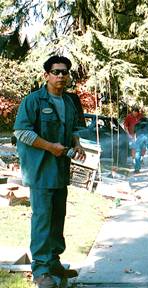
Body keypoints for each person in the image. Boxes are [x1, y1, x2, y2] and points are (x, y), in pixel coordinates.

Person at [13, 55, 86, 288]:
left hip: (61, 171)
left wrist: (77, 144)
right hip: (41, 171)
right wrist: (50, 147)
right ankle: (41, 270)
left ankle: (54, 262)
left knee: (57, 218)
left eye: (65, 72)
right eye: (56, 71)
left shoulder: (71, 101)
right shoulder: (33, 101)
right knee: (42, 219)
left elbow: (73, 129)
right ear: (47, 75)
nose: (61, 76)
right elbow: (21, 132)